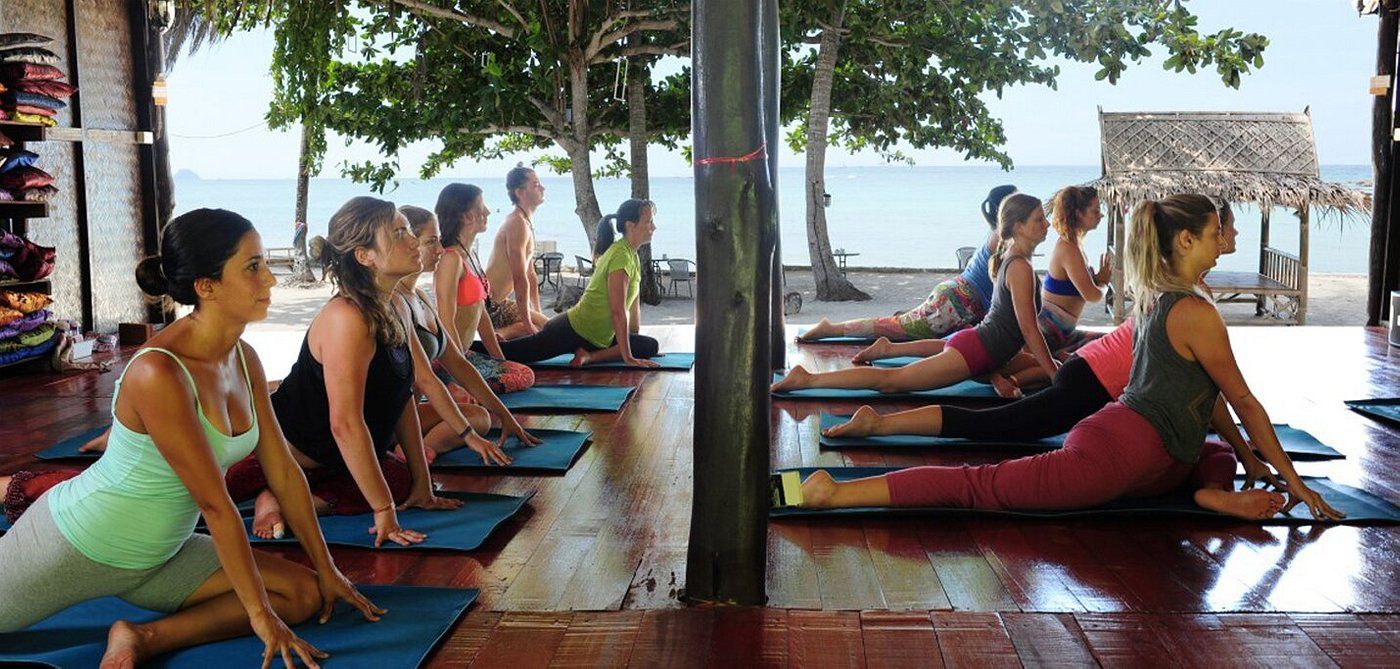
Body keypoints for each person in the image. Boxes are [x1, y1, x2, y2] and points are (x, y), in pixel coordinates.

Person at [799, 194, 1343, 523]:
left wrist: (1250, 461)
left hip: (1154, 452)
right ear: (1185, 239)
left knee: (1211, 456)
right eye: (1215, 234)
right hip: (1113, 452)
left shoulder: (1170, 299)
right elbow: (1243, 401)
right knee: (980, 484)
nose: (1228, 239)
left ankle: (1212, 491)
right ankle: (836, 492)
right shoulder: (1191, 311)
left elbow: (1209, 399)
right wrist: (1296, 484)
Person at [0, 209, 381, 668]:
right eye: (253, 267)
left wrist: (328, 568)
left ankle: (139, 637)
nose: (270, 281)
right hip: (81, 543)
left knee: (301, 595)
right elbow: (217, 505)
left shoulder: (244, 358)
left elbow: (283, 470)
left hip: (163, 553)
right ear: (207, 286)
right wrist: (259, 616)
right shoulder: (159, 371)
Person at [225, 196, 463, 544]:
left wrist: (422, 483)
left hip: (334, 460)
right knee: (384, 493)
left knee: (401, 484)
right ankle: (274, 493)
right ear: (365, 256)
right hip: (279, 458)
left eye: (409, 230)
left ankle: (284, 497)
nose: (413, 240)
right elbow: (345, 423)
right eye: (399, 234)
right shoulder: (347, 319)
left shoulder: (394, 303)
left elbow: (401, 398)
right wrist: (384, 512)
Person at [772, 193, 1057, 397]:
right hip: (976, 350)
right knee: (892, 382)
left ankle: (1001, 378)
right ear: (1019, 227)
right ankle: (808, 379)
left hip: (985, 349)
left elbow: (1014, 331)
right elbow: (1029, 330)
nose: (1046, 224)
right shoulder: (1018, 266)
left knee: (1055, 366)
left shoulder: (1015, 259)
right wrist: (1057, 379)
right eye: (1039, 219)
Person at [394, 204, 540, 464]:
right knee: (471, 421)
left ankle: (420, 447)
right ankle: (411, 451)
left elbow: (458, 363)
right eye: (431, 242)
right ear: (408, 243)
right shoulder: (395, 301)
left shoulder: (418, 297)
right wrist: (469, 436)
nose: (440, 249)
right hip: (388, 418)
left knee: (480, 417)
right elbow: (425, 378)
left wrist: (504, 415)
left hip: (408, 412)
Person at [796, 185, 1017, 343]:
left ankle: (833, 329)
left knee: (898, 325)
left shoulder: (999, 234)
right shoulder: (1002, 240)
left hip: (956, 297)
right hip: (956, 303)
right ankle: (831, 329)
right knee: (895, 327)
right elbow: (999, 289)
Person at [482, 199, 661, 366]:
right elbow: (617, 311)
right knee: (508, 354)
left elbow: (632, 306)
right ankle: (463, 351)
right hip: (574, 330)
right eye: (649, 222)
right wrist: (628, 357)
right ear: (631, 225)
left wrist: (632, 338)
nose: (654, 227)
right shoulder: (621, 256)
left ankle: (589, 356)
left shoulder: (631, 254)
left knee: (649, 346)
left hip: (597, 336)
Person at [429, 183, 535, 394]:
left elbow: (481, 315)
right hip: (448, 359)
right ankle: (451, 388)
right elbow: (445, 319)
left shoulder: (470, 256)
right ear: (466, 216)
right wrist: (459, 370)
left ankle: (461, 386)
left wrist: (499, 359)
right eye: (481, 206)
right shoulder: (451, 259)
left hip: (464, 354)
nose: (487, 212)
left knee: (522, 373)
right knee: (523, 376)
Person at [1035, 185, 1109, 355]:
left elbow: (1080, 287)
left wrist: (1097, 280)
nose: (1101, 215)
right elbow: (1093, 295)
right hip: (1049, 334)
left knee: (1113, 344)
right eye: (1095, 210)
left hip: (1061, 333)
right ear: (1078, 214)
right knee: (1106, 349)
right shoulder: (1068, 248)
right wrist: (1103, 282)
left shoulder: (1074, 245)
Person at [483, 165, 551, 338]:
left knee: (546, 324)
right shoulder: (517, 223)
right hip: (489, 306)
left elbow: (530, 274)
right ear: (520, 192)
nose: (543, 188)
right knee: (547, 327)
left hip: (499, 302)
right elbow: (519, 277)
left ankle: (502, 333)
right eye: (536, 185)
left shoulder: (525, 222)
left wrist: (537, 310)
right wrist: (528, 323)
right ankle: (499, 334)